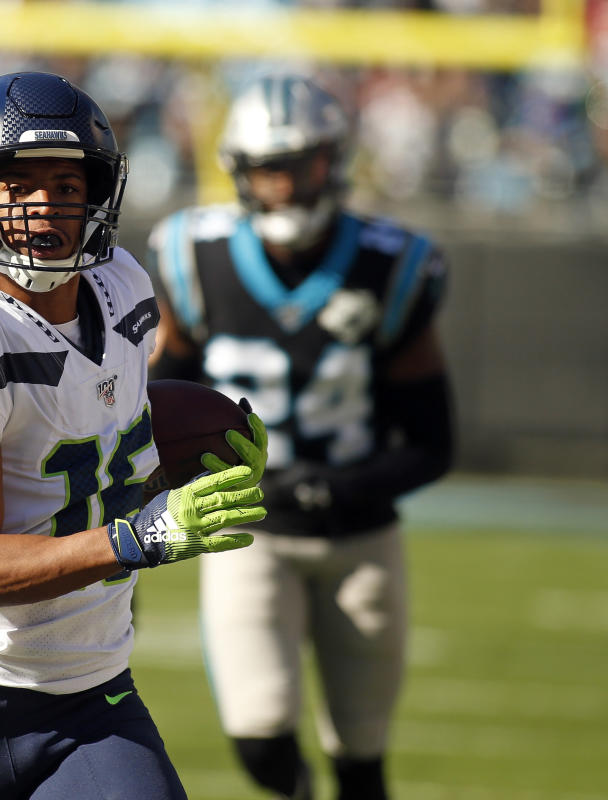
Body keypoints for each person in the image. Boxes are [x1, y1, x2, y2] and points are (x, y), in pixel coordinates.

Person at [0, 71, 269, 800]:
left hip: (93, 692)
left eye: (65, 183)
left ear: (99, 193)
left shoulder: (124, 289)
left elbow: (97, 458)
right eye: (17, 186)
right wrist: (137, 539)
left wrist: (192, 463)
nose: (44, 206)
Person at [147, 73, 455, 800]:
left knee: (361, 757)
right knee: (259, 735)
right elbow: (156, 407)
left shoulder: (390, 265)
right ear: (241, 174)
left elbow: (434, 441)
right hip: (248, 529)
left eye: (299, 166)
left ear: (332, 162)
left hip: (361, 535)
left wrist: (337, 487)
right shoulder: (197, 255)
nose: (283, 187)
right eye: (266, 169)